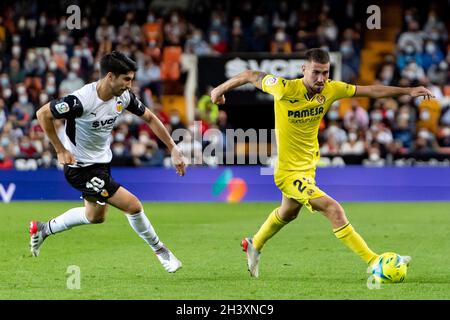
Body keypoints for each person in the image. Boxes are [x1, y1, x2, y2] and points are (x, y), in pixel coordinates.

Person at [210, 48, 434, 278]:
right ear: (303, 69)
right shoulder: (284, 88)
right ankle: (374, 261)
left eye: (325, 73)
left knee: (288, 213)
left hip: (308, 168)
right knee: (333, 209)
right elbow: (249, 74)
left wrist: (408, 91)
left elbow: (371, 90)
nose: (321, 79)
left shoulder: (331, 89)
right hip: (288, 172)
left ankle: (254, 243)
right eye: (316, 72)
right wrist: (219, 89)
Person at [31, 51, 186, 273]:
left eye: (131, 79)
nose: (130, 85)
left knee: (95, 217)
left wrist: (173, 148)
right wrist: (60, 149)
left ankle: (43, 229)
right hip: (80, 167)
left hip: (101, 163)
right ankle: (161, 251)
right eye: (127, 79)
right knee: (133, 205)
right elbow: (42, 113)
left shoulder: (123, 97)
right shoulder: (82, 100)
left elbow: (150, 118)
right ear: (111, 76)